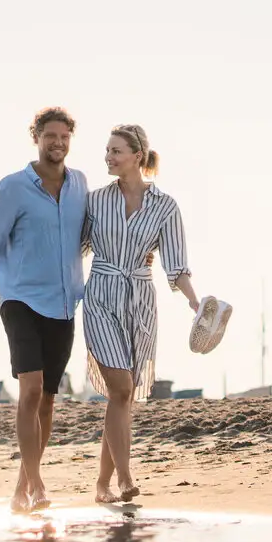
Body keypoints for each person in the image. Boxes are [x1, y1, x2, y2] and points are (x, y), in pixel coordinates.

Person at [0, 108, 90, 513]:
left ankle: (20, 488)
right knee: (29, 391)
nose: (57, 143)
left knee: (47, 399)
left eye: (64, 136)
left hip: (64, 303)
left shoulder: (79, 184)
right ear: (36, 137)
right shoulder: (12, 188)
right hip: (20, 300)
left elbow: (92, 234)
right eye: (50, 136)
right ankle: (39, 485)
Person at [82, 124, 200, 503]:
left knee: (122, 397)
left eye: (116, 151)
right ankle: (125, 478)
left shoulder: (166, 206)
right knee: (120, 389)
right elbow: (72, 248)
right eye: (107, 151)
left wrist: (195, 303)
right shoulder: (95, 201)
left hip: (140, 300)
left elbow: (177, 265)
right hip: (100, 295)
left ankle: (101, 484)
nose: (108, 157)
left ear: (137, 155)